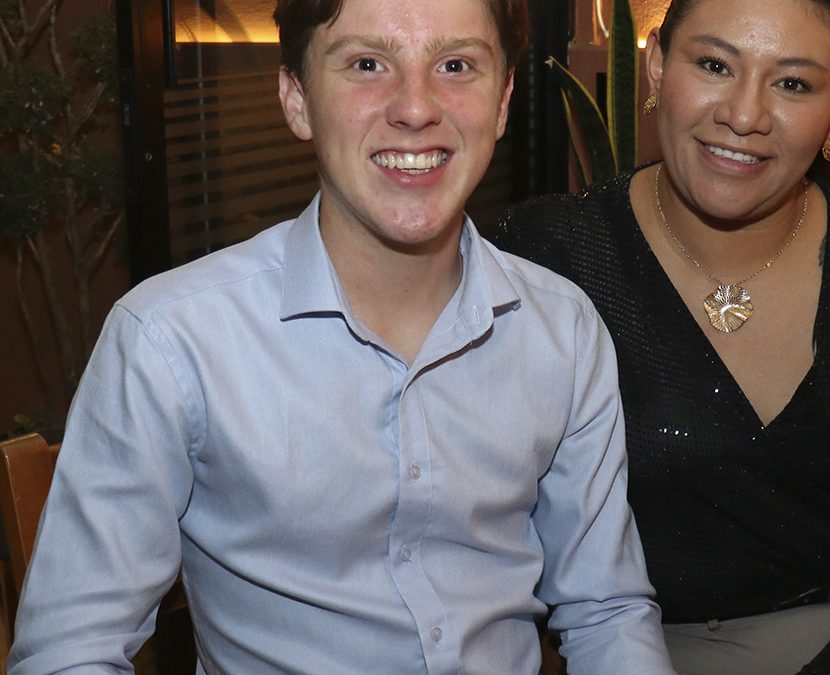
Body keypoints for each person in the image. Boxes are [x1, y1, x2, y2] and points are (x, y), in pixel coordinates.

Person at [6, 0, 677, 672]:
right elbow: (73, 649)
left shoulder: (563, 330)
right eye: (366, 64)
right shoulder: (172, 342)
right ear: (296, 99)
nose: (415, 107)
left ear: (502, 103)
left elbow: (607, 612)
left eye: (455, 65)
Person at [492, 0, 830, 673]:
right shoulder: (545, 254)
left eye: (792, 83)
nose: (744, 115)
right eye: (714, 65)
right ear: (657, 66)